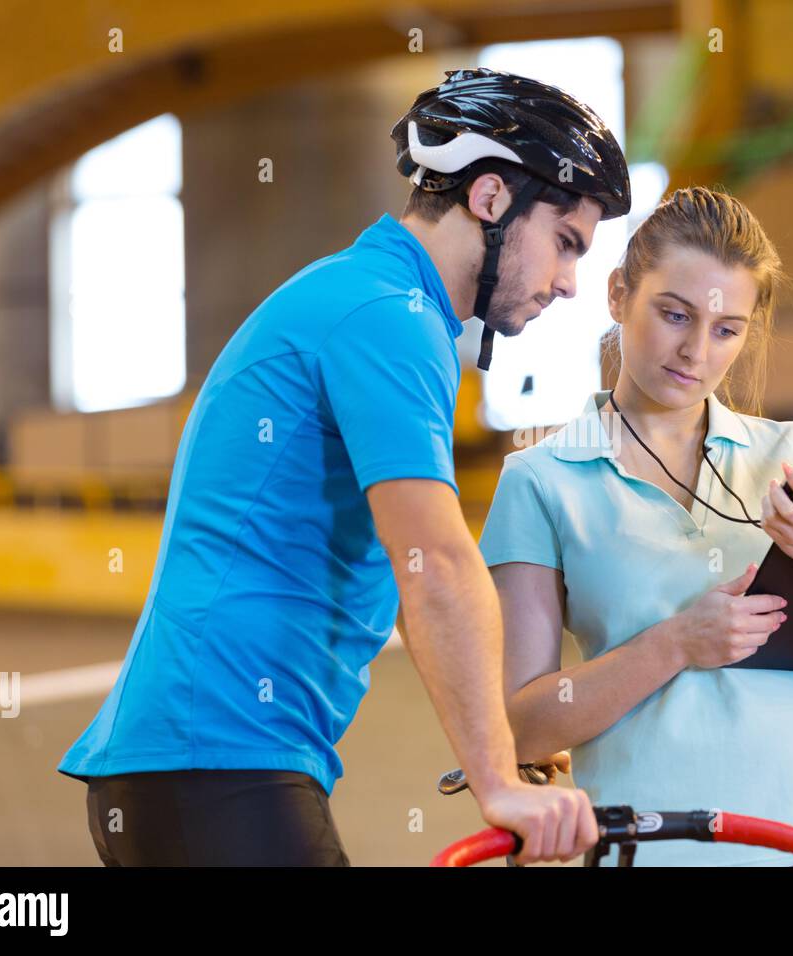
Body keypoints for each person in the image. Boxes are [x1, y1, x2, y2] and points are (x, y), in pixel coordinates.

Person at [57, 68, 631, 866]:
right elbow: (435, 565)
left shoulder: (378, 300)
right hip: (217, 761)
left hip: (208, 765)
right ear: (491, 199)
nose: (570, 284)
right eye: (566, 242)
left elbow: (408, 578)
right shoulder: (388, 318)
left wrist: (501, 742)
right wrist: (498, 780)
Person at [476, 187, 793, 866]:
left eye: (727, 329)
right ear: (618, 295)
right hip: (660, 845)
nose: (695, 350)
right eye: (674, 314)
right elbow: (524, 728)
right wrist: (676, 643)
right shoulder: (540, 481)